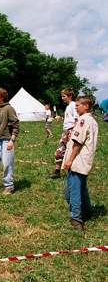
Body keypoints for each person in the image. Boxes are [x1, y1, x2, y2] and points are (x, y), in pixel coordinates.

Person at [61, 96, 98, 231]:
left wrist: (69, 160)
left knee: (72, 191)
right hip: (85, 161)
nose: (76, 108)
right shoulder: (93, 121)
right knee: (82, 188)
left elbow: (77, 142)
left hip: (78, 161)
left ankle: (76, 218)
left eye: (78, 105)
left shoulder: (83, 120)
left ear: (86, 106)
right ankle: (88, 211)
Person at [49, 88, 78, 179]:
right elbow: (70, 119)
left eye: (64, 96)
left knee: (70, 153)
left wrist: (72, 132)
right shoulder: (68, 106)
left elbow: (76, 119)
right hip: (66, 131)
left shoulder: (74, 105)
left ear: (70, 96)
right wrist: (61, 118)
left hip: (70, 132)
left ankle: (74, 173)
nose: (62, 98)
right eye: (62, 96)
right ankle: (57, 172)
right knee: (59, 152)